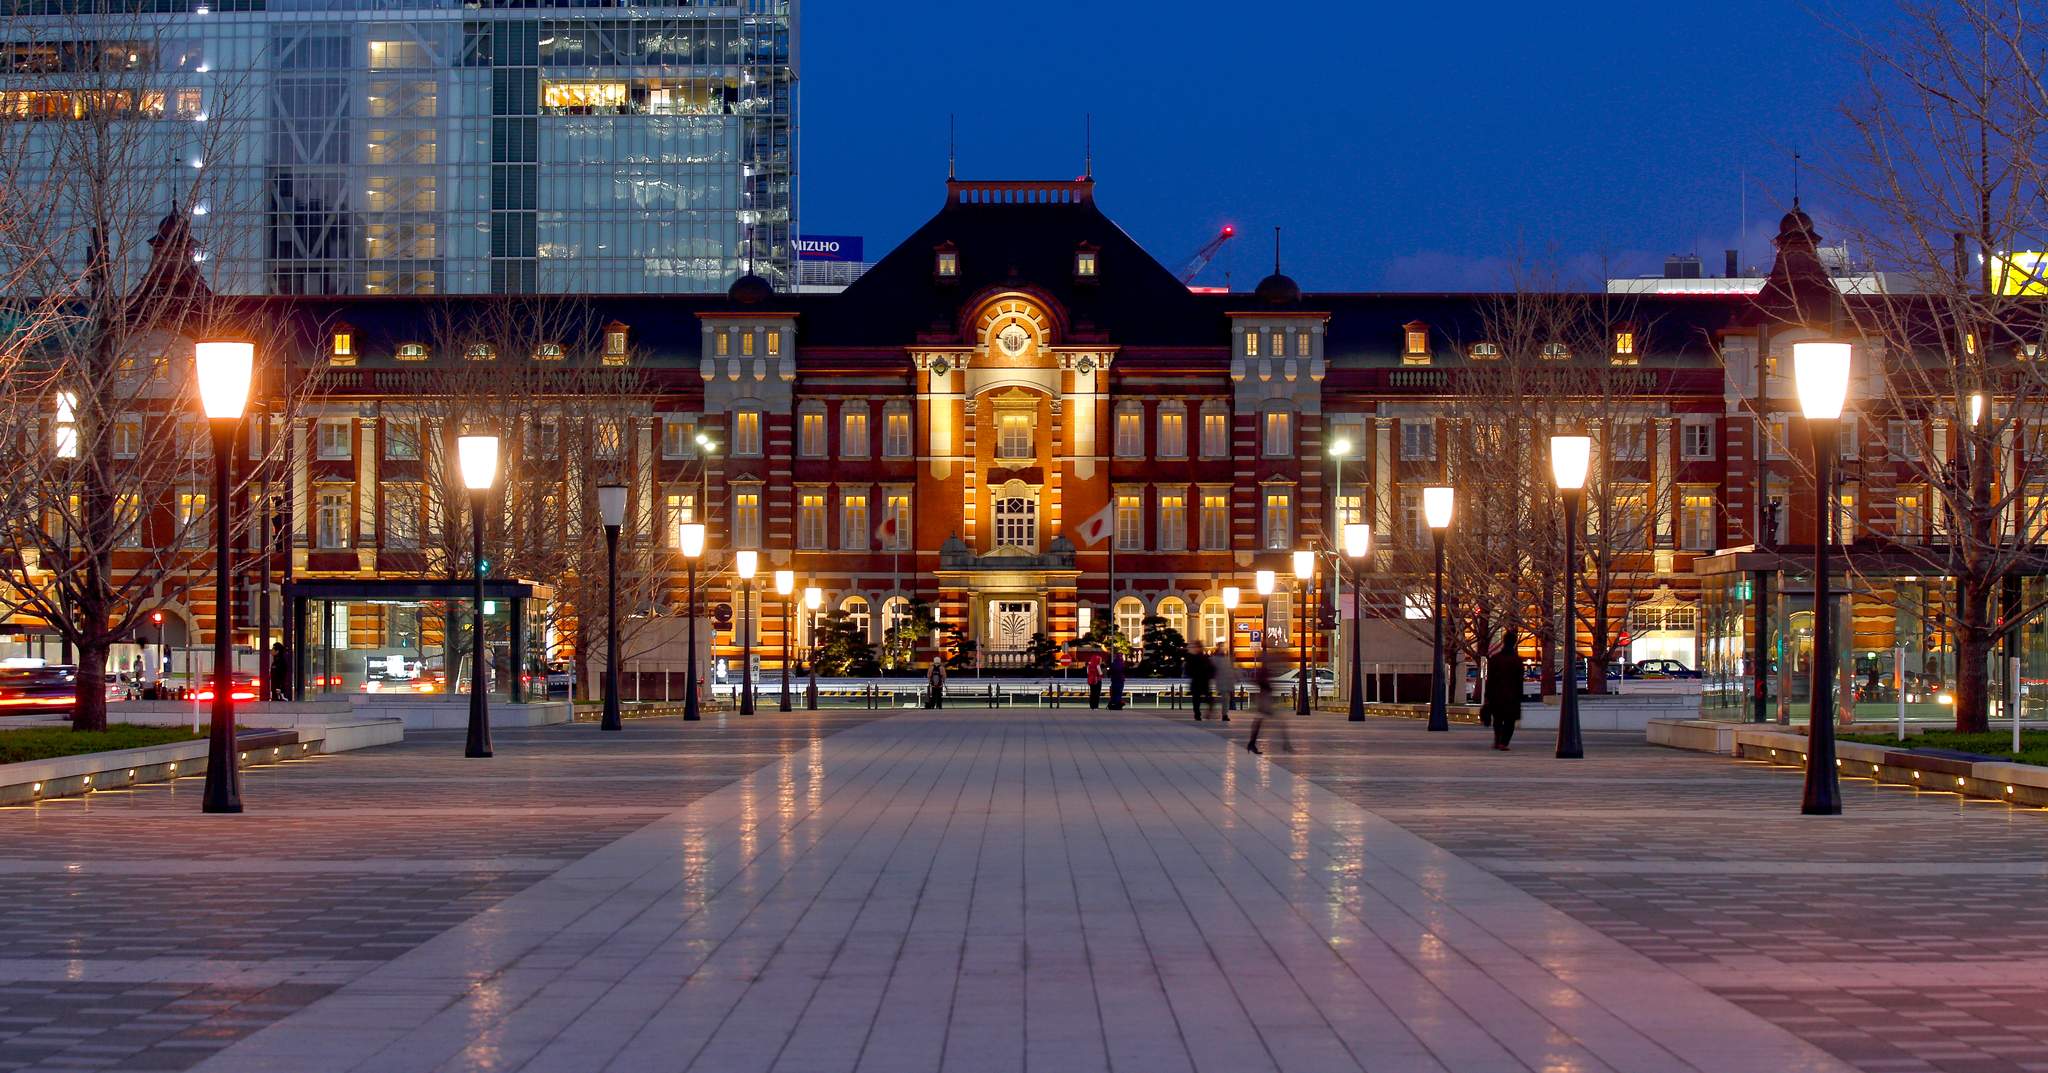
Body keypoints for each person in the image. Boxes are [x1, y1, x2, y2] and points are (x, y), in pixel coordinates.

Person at [1246, 645, 1292, 753]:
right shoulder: (1264, 669)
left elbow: (1260, 681)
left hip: (1264, 697)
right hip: (1264, 698)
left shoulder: (1265, 669)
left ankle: (1252, 744)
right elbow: (1261, 682)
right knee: (1278, 721)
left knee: (1260, 720)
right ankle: (1286, 744)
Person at [1486, 629, 1523, 750]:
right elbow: (1519, 681)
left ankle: (1497, 740)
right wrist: (1520, 696)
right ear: (1514, 642)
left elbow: (1490, 679)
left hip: (1496, 694)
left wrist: (1488, 695)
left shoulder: (1495, 659)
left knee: (1497, 719)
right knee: (1509, 720)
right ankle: (1504, 742)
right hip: (1512, 695)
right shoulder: (1517, 661)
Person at [1186, 643, 1214, 721]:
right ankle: (1198, 714)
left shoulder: (1194, 658)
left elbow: (1188, 670)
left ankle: (1198, 714)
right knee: (1201, 699)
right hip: (1202, 681)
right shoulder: (1204, 658)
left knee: (1197, 700)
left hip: (1199, 681)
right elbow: (1211, 669)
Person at [1211, 642, 1234, 722]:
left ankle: (1224, 714)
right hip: (1220, 681)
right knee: (1224, 698)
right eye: (1221, 646)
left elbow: (1230, 670)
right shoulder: (1214, 658)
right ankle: (1222, 714)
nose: (1223, 648)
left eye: (1223, 646)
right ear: (1218, 647)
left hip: (1226, 681)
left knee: (1225, 698)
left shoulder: (1226, 658)